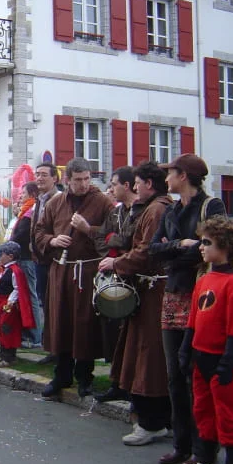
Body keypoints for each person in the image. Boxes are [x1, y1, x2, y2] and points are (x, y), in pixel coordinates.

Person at [149, 153, 226, 464]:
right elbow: (155, 251)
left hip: (201, 295)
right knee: (175, 375)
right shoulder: (172, 209)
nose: (166, 177)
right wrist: (180, 246)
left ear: (184, 176)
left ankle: (204, 448)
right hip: (173, 296)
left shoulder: (212, 207)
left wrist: (180, 249)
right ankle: (181, 444)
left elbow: (210, 251)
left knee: (198, 373)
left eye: (170, 173)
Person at [97, 162, 173, 445]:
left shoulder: (156, 209)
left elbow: (146, 253)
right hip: (148, 287)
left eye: (138, 182)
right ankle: (157, 419)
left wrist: (116, 261)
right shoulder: (155, 207)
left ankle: (152, 422)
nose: (134, 187)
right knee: (144, 354)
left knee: (148, 357)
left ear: (149, 184)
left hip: (154, 291)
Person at [178, 216, 233, 464]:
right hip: (201, 358)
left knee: (228, 416)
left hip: (223, 360)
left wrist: (229, 360)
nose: (201, 246)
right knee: (203, 412)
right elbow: (194, 319)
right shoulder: (204, 280)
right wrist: (186, 350)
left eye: (207, 242)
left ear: (225, 246)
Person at [34, 157, 113, 398]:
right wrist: (52, 240)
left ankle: (84, 378)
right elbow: (39, 231)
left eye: (87, 179)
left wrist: (88, 228)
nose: (83, 184)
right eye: (78, 180)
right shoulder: (56, 203)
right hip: (61, 271)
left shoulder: (103, 202)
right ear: (67, 180)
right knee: (61, 324)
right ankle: (62, 375)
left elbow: (114, 234)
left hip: (87, 272)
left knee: (85, 325)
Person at [93, 166, 138, 402]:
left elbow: (133, 241)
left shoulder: (140, 211)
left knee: (132, 337)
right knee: (113, 330)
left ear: (127, 186)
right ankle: (116, 383)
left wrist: (118, 246)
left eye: (114, 184)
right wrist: (115, 246)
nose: (110, 188)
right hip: (115, 278)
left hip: (136, 279)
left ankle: (133, 386)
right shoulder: (116, 213)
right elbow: (101, 238)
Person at [31, 162, 61, 365]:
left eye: (44, 175)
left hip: (52, 258)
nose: (39, 178)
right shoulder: (39, 200)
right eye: (37, 174)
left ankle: (57, 348)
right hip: (39, 258)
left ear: (55, 178)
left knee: (54, 303)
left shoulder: (58, 199)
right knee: (44, 301)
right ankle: (51, 346)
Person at [9, 181, 43, 347]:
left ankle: (36, 336)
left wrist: (9, 245)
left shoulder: (31, 212)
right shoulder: (25, 212)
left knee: (31, 295)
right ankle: (27, 332)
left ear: (32, 194)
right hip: (21, 257)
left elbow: (22, 235)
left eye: (23, 193)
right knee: (24, 296)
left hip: (26, 258)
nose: (20, 196)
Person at [0, 241, 35, 366]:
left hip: (9, 305)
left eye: (2, 254)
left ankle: (9, 357)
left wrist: (10, 302)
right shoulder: (5, 270)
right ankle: (3, 355)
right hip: (1, 302)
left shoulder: (15, 271)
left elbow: (18, 288)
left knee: (8, 330)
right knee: (2, 329)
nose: (0, 257)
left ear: (10, 256)